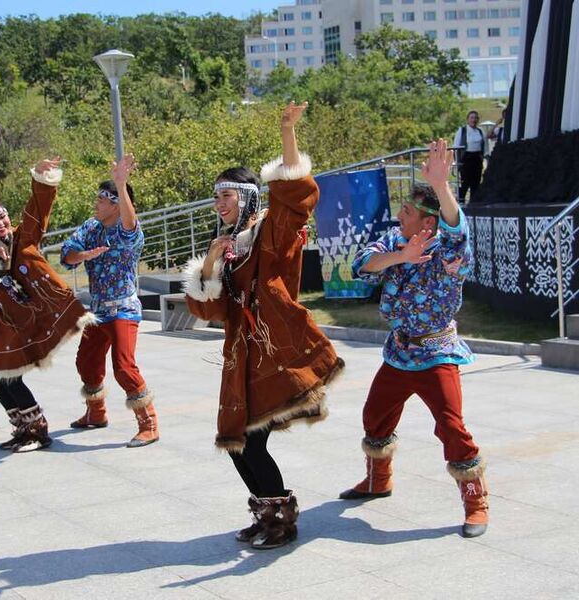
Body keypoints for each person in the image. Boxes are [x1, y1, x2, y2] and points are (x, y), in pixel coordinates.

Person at [182, 102, 344, 550]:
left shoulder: (272, 232)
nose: (219, 204)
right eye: (216, 197)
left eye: (226, 195)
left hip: (275, 354)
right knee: (236, 441)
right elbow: (211, 311)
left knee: (252, 443)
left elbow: (297, 197)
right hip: (242, 358)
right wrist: (210, 264)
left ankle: (281, 523)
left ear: (248, 197)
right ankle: (266, 515)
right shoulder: (227, 247)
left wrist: (288, 133)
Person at [338, 139, 489, 539]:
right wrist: (401, 257)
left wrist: (441, 186)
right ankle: (378, 480)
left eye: (405, 212)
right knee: (375, 414)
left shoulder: (448, 254)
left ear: (427, 223)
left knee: (451, 427)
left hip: (436, 353)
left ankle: (475, 501)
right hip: (398, 352)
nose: (398, 216)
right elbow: (361, 265)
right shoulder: (394, 241)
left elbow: (458, 230)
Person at [0, 158, 92, 452]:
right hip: (1, 325)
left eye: (3, 217)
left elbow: (38, 210)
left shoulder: (23, 238)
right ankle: (23, 428)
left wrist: (42, 179)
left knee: (8, 379)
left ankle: (38, 430)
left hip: (27, 318)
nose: (1, 223)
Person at [60, 154, 159, 448]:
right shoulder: (91, 227)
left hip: (124, 309)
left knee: (124, 367)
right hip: (98, 311)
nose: (96, 204)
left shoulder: (128, 232)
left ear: (116, 204)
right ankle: (96, 412)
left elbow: (130, 224)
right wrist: (83, 255)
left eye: (101, 200)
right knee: (86, 362)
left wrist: (122, 184)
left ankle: (149, 424)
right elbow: (67, 255)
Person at [453, 110, 486, 203]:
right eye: (472, 118)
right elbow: (456, 146)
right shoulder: (462, 130)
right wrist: (457, 161)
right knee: (465, 181)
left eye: (475, 118)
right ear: (468, 119)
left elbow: (484, 146)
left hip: (477, 158)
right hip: (466, 158)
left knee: (476, 182)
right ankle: (461, 201)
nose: (474, 120)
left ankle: (473, 203)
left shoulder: (480, 131)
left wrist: (484, 157)